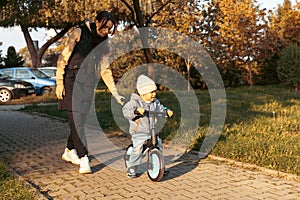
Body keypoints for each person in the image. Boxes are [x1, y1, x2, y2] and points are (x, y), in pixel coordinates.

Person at [56, 11, 124, 174]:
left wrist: (115, 93)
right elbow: (63, 58)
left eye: (110, 29)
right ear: (97, 21)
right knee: (77, 119)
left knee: (80, 119)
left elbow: (105, 69)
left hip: (87, 83)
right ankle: (84, 158)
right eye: (105, 27)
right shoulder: (78, 32)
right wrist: (59, 82)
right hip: (71, 81)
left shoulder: (104, 43)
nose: (107, 31)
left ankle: (69, 150)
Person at [122, 75, 173, 178]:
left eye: (155, 91)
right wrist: (136, 111)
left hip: (152, 131)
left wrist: (166, 111)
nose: (154, 94)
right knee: (138, 150)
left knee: (158, 145)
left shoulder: (155, 102)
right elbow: (126, 111)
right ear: (143, 92)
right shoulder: (135, 102)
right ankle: (131, 167)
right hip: (139, 132)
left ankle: (159, 165)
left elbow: (161, 108)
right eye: (151, 92)